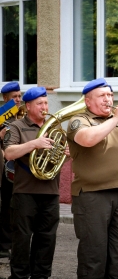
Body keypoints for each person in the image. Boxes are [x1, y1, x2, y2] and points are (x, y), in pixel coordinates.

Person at [67, 78, 118, 279]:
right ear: (88, 101)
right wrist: (115, 119)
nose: (108, 99)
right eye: (102, 96)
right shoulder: (79, 120)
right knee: (93, 254)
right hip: (92, 196)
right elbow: (88, 139)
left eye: (110, 95)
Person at [3, 86, 60, 279]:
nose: (45, 106)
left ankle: (41, 275)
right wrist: (34, 144)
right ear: (28, 106)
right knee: (22, 237)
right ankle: (19, 276)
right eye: (40, 103)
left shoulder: (53, 126)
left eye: (46, 102)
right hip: (25, 191)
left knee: (47, 238)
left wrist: (66, 155)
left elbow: (57, 157)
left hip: (51, 190)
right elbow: (9, 153)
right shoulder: (17, 126)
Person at [0, 81, 22, 259]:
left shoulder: (22, 116)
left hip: (21, 168)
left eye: (20, 96)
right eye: (14, 97)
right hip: (5, 169)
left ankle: (16, 242)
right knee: (6, 206)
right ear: (5, 99)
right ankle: (4, 244)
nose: (18, 99)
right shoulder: (1, 116)